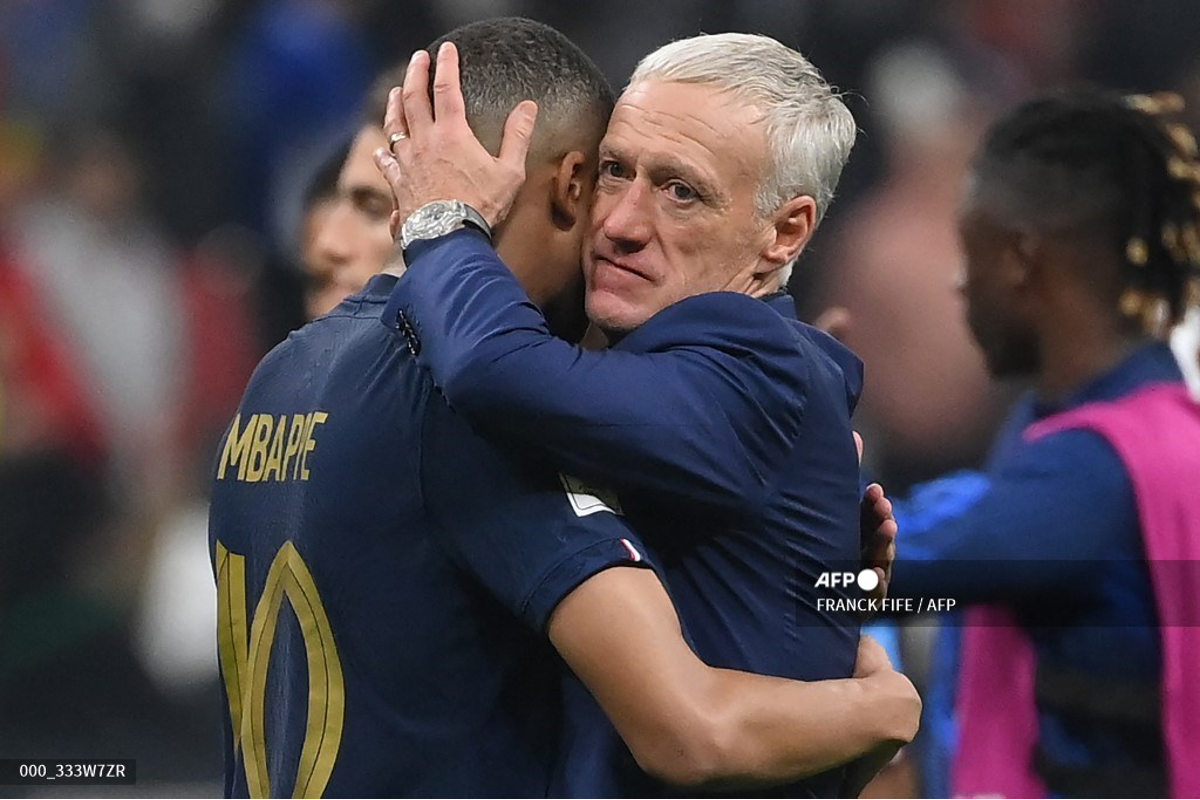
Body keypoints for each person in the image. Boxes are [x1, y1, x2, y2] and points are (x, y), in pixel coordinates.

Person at [210, 18, 918, 798]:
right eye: (616, 173)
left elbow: (691, 732)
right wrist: (875, 704)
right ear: (572, 182)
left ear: (786, 232)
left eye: (681, 191)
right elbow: (689, 728)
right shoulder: (461, 405)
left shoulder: (281, 376)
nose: (618, 224)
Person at [879, 89, 1200, 798]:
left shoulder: (1091, 471)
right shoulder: (1138, 425)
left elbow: (883, 579)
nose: (959, 287)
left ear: (1021, 259)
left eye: (971, 255)